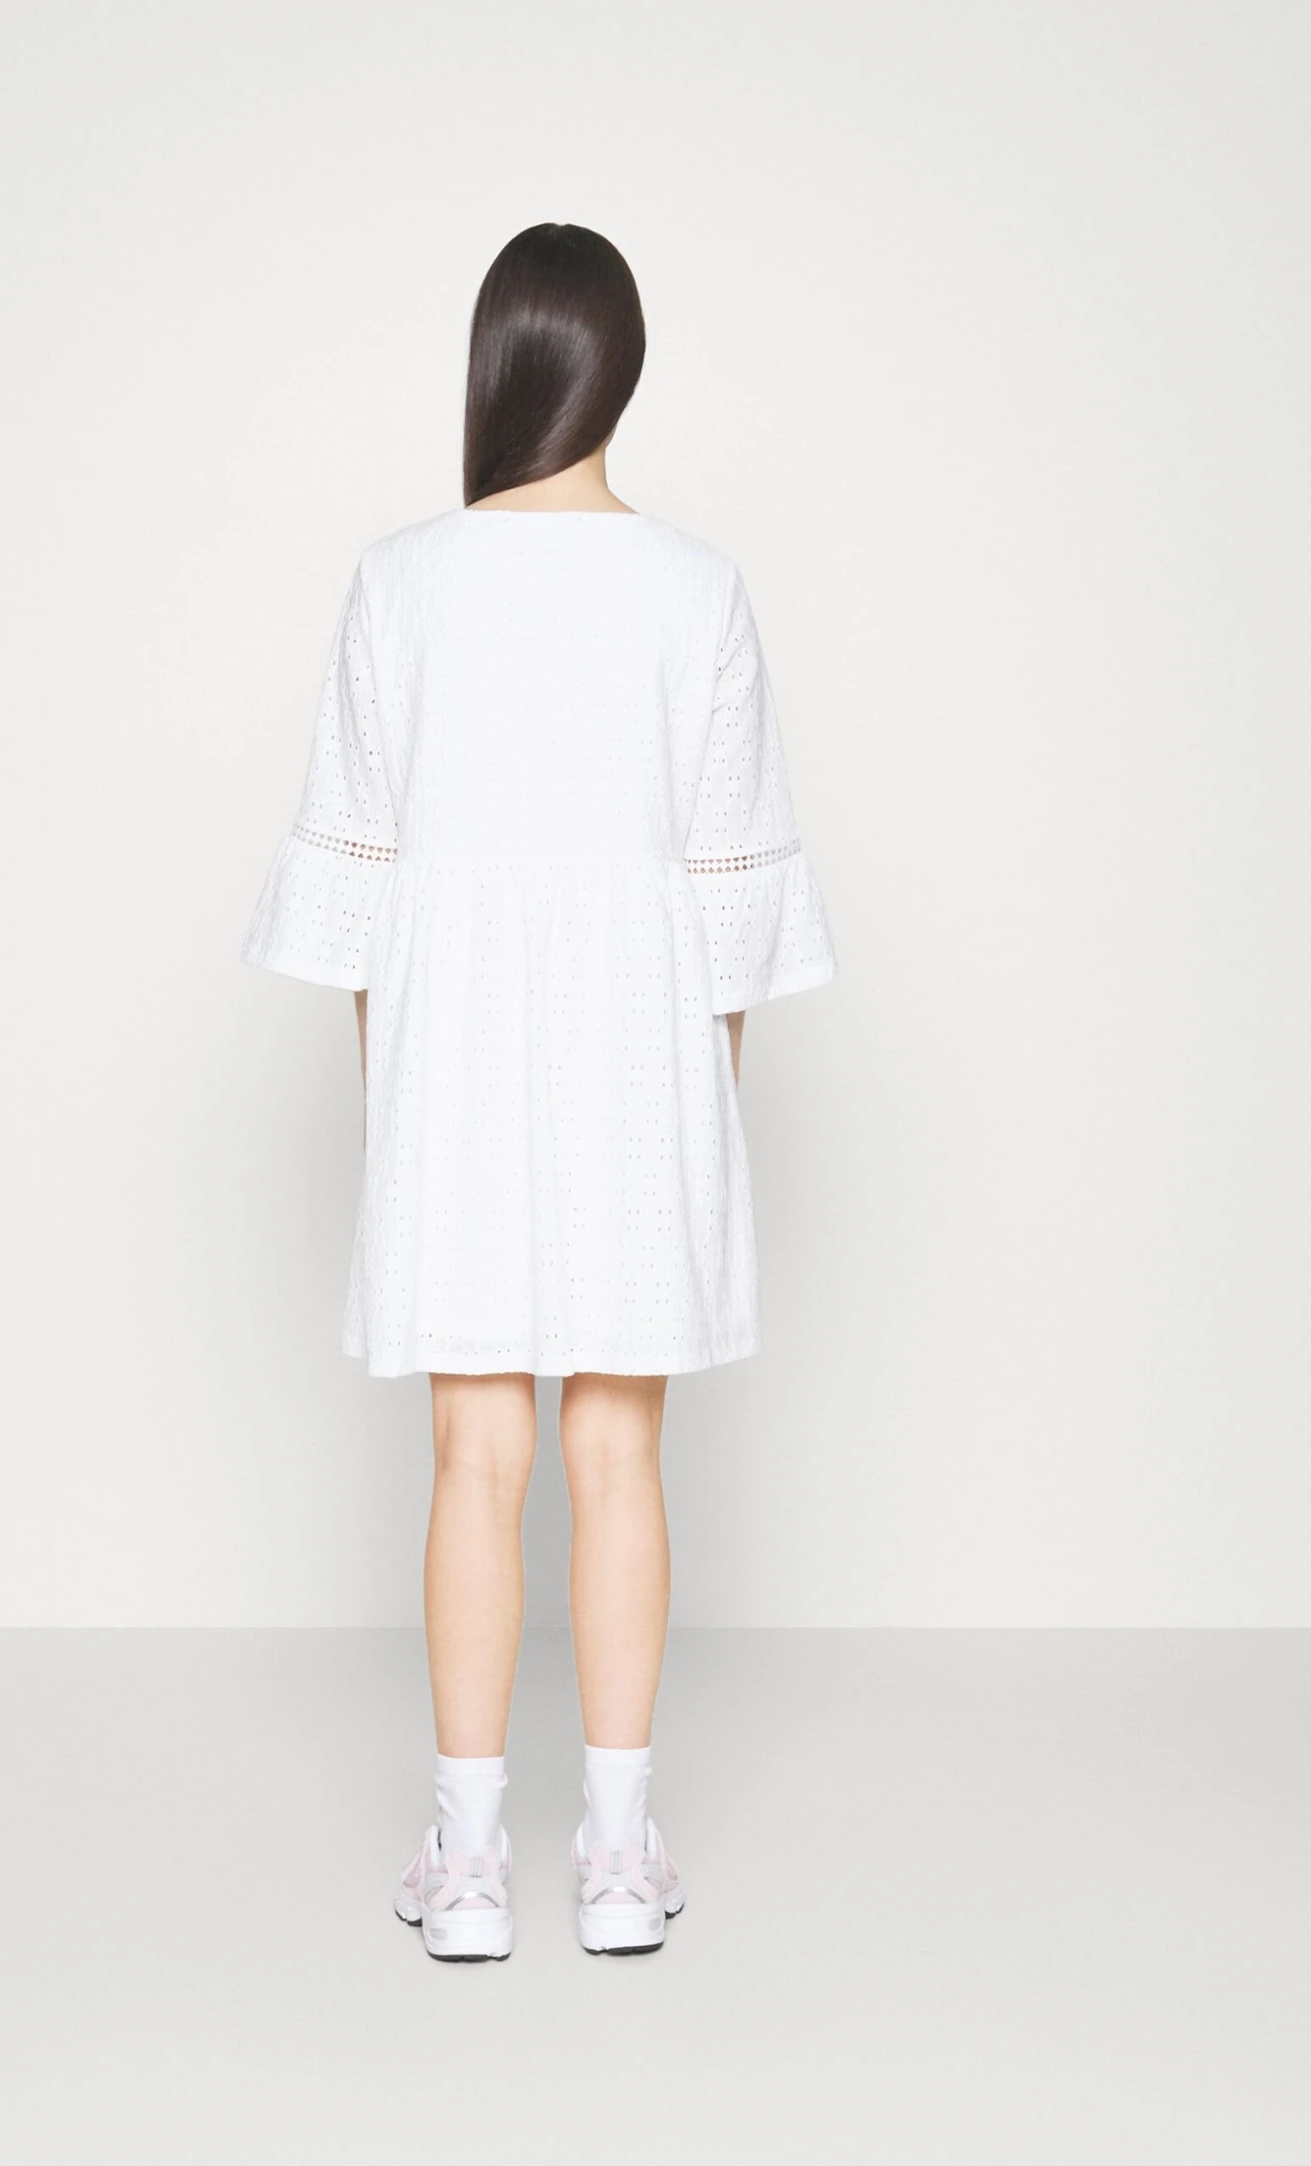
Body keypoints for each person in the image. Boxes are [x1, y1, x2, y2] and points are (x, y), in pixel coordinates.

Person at [240, 223, 838, 1961]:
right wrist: (702, 1114)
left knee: (473, 1448)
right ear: (622, 370)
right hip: (646, 1056)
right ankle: (623, 1859)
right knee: (618, 1448)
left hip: (456, 1058)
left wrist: (399, 1103)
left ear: (498, 363)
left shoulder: (400, 581)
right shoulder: (698, 590)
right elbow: (729, 903)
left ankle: (468, 1863)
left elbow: (360, 897)